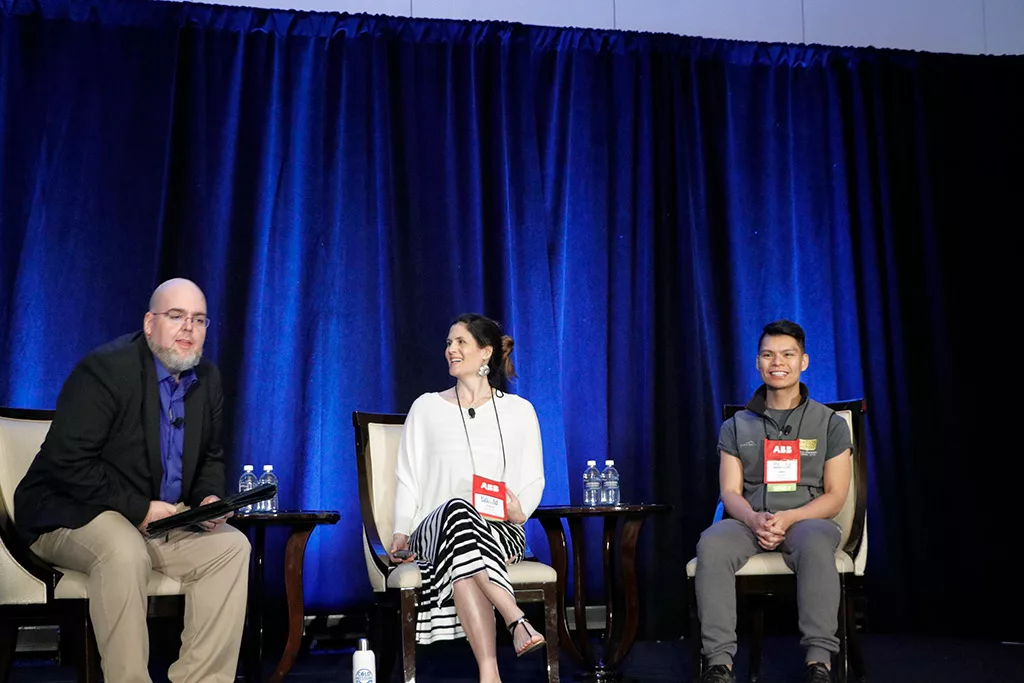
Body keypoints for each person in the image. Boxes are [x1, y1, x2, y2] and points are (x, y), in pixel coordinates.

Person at [14, 278, 250, 683]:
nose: (188, 329)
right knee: (123, 549)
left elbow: (210, 456)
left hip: (154, 520)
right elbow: (66, 463)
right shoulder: (106, 371)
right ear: (148, 323)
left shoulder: (207, 379)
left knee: (231, 548)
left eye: (198, 320)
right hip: (68, 512)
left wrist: (210, 496)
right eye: (176, 316)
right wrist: (139, 509)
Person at [389, 313, 546, 683]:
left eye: (460, 342)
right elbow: (407, 479)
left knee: (465, 557)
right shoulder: (425, 407)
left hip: (498, 529)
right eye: (448, 343)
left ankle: (489, 674)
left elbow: (533, 478)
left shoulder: (520, 412)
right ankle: (515, 617)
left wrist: (520, 509)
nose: (451, 350)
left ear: (486, 353)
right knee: (459, 509)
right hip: (435, 528)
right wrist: (399, 531)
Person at [696, 320, 852, 683]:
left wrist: (791, 517)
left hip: (808, 519)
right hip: (751, 520)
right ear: (757, 362)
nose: (777, 362)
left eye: (787, 354)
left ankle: (819, 662)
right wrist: (754, 520)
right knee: (712, 543)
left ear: (804, 362)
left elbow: (836, 495)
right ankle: (718, 663)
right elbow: (730, 492)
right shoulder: (736, 425)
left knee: (815, 543)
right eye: (768, 354)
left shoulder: (829, 423)